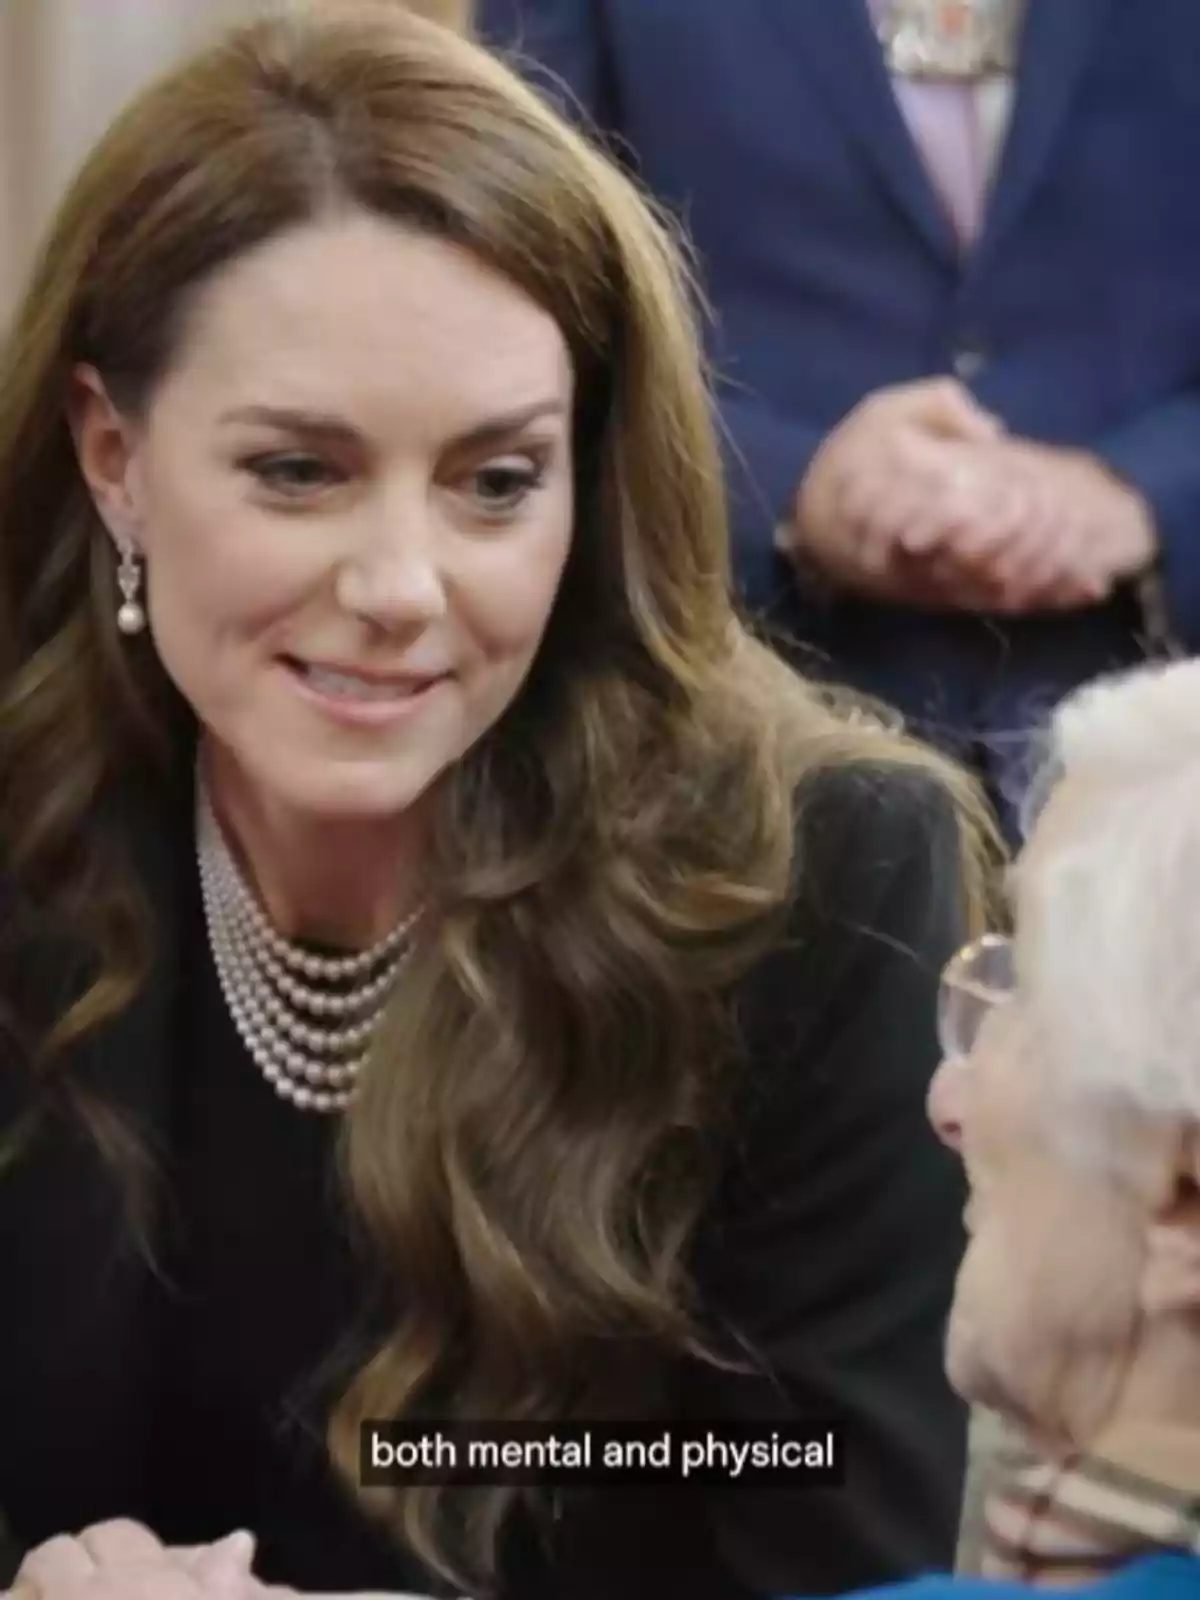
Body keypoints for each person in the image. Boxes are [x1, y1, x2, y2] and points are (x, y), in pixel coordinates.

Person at [0, 4, 994, 1598]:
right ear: (114, 451)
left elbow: (824, 1536)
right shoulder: (32, 810)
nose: (403, 586)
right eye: (298, 471)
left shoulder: (825, 881)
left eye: (495, 481)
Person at [474, 0, 1200, 837]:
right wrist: (789, 485)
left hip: (1157, 740)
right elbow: (509, 299)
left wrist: (1142, 490)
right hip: (730, 758)